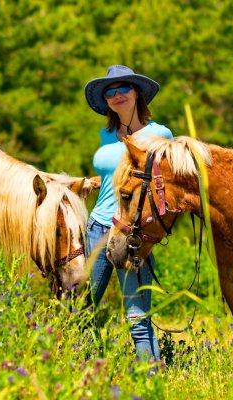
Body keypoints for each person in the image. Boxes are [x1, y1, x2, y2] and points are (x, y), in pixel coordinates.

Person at [83, 65, 173, 363]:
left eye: (123, 88)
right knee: (84, 307)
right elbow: (114, 177)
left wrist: (156, 228)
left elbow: (167, 185)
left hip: (132, 231)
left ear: (137, 93)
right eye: (110, 92)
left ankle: (150, 382)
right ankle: (85, 374)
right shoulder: (105, 134)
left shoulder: (159, 134)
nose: (116, 95)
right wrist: (90, 183)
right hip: (97, 226)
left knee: (137, 315)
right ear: (106, 101)